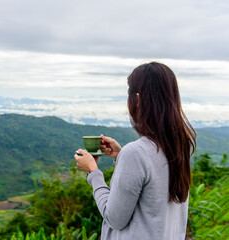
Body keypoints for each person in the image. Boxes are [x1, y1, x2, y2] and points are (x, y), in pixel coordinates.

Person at [74, 62, 196, 240]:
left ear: (137, 99)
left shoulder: (136, 153)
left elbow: (114, 218)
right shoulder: (178, 148)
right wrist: (121, 155)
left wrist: (94, 173)